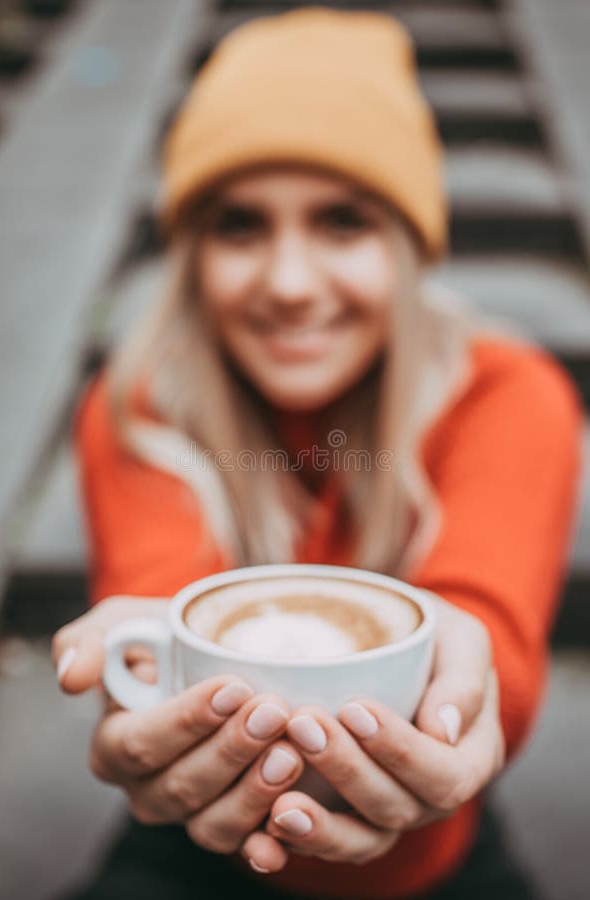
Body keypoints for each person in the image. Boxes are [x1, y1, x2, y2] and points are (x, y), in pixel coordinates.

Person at [52, 8, 583, 899]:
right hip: (197, 841)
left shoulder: (510, 393)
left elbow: (493, 642)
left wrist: (470, 690)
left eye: (343, 221)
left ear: (409, 246)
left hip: (439, 856)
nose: (291, 284)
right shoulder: (139, 405)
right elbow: (160, 622)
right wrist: (142, 690)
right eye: (239, 225)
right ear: (191, 253)